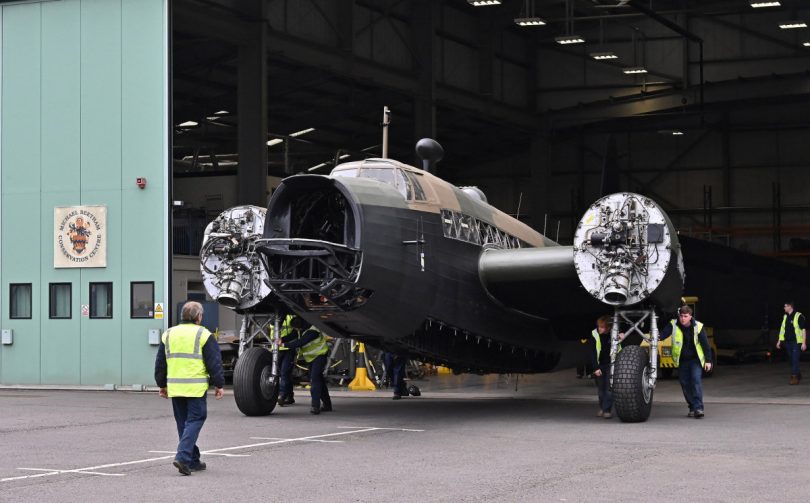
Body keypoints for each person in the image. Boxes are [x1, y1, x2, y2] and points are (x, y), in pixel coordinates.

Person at [154, 301, 224, 475]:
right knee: (195, 419)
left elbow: (160, 363)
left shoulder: (169, 334)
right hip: (195, 387)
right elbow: (214, 362)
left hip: (176, 387)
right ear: (198, 317)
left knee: (183, 423)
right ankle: (183, 457)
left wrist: (161, 384)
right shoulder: (203, 334)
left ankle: (193, 460)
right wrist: (219, 384)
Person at [659, 305, 713, 418]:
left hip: (695, 360)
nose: (683, 319)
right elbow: (663, 335)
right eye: (681, 316)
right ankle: (692, 407)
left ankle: (698, 408)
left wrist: (708, 361)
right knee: (685, 384)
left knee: (695, 381)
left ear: (690, 316)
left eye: (685, 316)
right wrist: (655, 337)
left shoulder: (698, 326)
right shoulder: (673, 324)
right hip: (682, 361)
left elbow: (705, 345)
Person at [276, 317, 332, 415]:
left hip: (320, 356)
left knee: (314, 379)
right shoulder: (301, 329)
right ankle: (327, 405)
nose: (295, 331)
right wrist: (282, 339)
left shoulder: (312, 331)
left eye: (296, 329)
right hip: (311, 359)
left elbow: (300, 342)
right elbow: (292, 335)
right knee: (319, 380)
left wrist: (284, 345)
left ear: (300, 327)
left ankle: (315, 406)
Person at [590, 315, 624, 419]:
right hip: (599, 365)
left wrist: (622, 337)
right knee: (601, 389)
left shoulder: (614, 334)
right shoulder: (594, 334)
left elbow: (620, 349)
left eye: (602, 327)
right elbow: (592, 353)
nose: (599, 329)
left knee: (609, 388)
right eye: (599, 326)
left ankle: (606, 410)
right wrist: (596, 368)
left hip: (611, 364)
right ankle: (602, 407)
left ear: (608, 328)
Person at [776, 301, 806, 385]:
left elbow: (803, 330)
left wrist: (804, 342)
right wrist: (779, 341)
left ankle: (794, 377)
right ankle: (798, 373)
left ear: (790, 306)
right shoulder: (785, 316)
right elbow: (782, 329)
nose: (784, 308)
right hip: (787, 342)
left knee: (795, 359)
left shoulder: (799, 316)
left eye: (785, 306)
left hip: (796, 341)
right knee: (791, 360)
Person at [275, 314, 301, 406]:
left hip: (288, 348)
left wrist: (283, 340)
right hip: (276, 350)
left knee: (284, 372)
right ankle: (289, 396)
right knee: (283, 374)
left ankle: (282, 395)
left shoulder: (290, 317)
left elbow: (295, 333)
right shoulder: (271, 318)